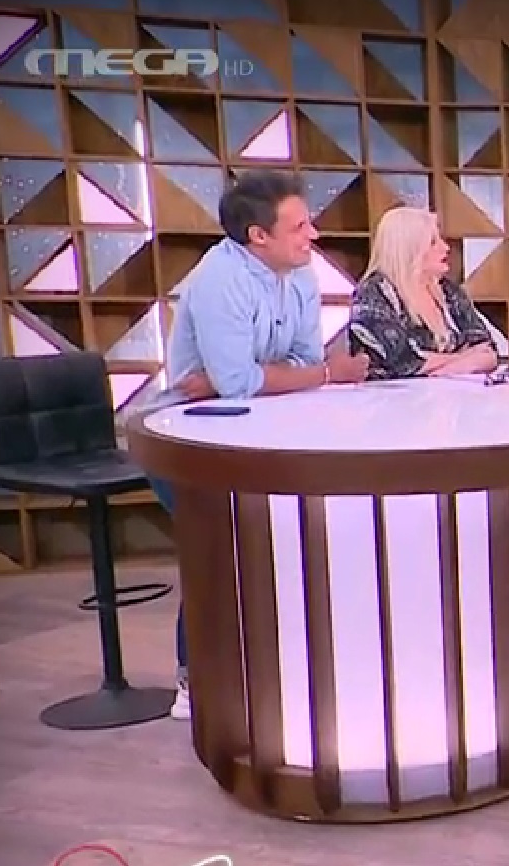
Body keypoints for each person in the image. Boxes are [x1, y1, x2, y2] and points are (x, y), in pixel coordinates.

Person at [149, 169, 370, 720]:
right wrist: (321, 374)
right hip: (188, 438)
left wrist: (262, 376)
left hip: (261, 430)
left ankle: (280, 679)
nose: (312, 235)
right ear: (258, 236)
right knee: (219, 548)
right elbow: (244, 382)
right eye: (299, 227)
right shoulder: (219, 280)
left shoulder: (300, 276)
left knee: (290, 547)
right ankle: (194, 682)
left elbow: (292, 363)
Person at [347, 206, 503, 378]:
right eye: (433, 242)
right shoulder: (373, 294)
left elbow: (488, 351)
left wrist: (443, 370)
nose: (446, 248)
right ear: (408, 250)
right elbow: (403, 362)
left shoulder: (448, 291)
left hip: (450, 390)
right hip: (393, 394)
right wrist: (464, 358)